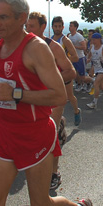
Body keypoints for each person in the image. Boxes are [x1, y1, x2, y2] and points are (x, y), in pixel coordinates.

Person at [0, 0, 96, 206]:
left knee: (41, 205)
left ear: (21, 18)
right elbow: (6, 89)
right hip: (5, 134)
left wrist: (16, 94)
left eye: (3, 17)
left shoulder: (36, 48)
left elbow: (57, 96)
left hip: (35, 135)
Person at [25, 11, 77, 191]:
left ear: (42, 27)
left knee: (50, 133)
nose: (27, 29)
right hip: (33, 98)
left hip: (53, 96)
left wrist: (50, 82)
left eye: (31, 26)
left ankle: (54, 173)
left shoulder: (53, 46)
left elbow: (71, 72)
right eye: (26, 25)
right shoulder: (23, 46)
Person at [51, 16, 82, 126]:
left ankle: (76, 111)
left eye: (60, 26)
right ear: (52, 27)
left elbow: (75, 57)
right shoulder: (50, 40)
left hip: (65, 73)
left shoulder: (65, 40)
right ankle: (56, 122)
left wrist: (62, 60)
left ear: (63, 27)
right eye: (55, 26)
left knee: (70, 96)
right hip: (54, 73)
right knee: (56, 98)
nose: (57, 28)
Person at [86, 32, 103, 109]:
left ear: (99, 40)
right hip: (96, 69)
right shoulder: (92, 47)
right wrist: (88, 59)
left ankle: (94, 102)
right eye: (92, 39)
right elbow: (90, 55)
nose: (93, 41)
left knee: (96, 84)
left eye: (94, 40)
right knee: (102, 87)